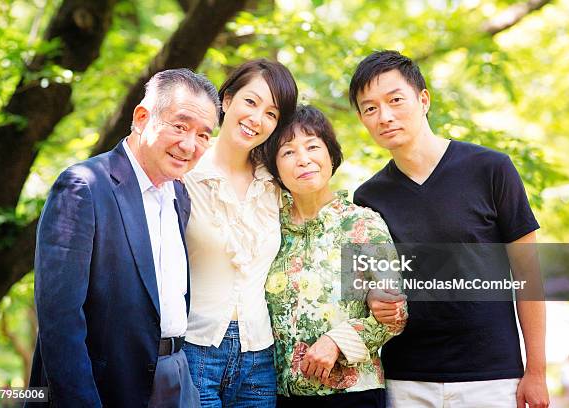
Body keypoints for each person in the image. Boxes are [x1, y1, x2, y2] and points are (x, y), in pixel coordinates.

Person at [349, 50, 550, 407]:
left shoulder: (491, 169)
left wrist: (536, 372)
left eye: (396, 100)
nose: (386, 116)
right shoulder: (368, 197)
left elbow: (528, 274)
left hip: (492, 377)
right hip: (406, 379)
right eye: (370, 108)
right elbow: (373, 287)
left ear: (423, 99)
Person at [27, 69, 219, 407]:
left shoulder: (180, 195)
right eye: (180, 126)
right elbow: (60, 322)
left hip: (178, 378)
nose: (190, 144)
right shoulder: (84, 186)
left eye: (204, 135)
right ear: (142, 117)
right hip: (108, 385)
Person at [263, 105, 407, 408]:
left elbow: (395, 316)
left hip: (353, 395)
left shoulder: (362, 225)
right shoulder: (266, 228)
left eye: (313, 146)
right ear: (275, 168)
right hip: (277, 396)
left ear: (331, 155)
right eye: (288, 152)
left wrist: (337, 342)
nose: (303, 159)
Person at [182, 59, 298, 407]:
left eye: (272, 113)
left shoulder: (275, 184)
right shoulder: (185, 173)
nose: (257, 119)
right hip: (195, 349)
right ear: (227, 100)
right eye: (251, 102)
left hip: (258, 356)